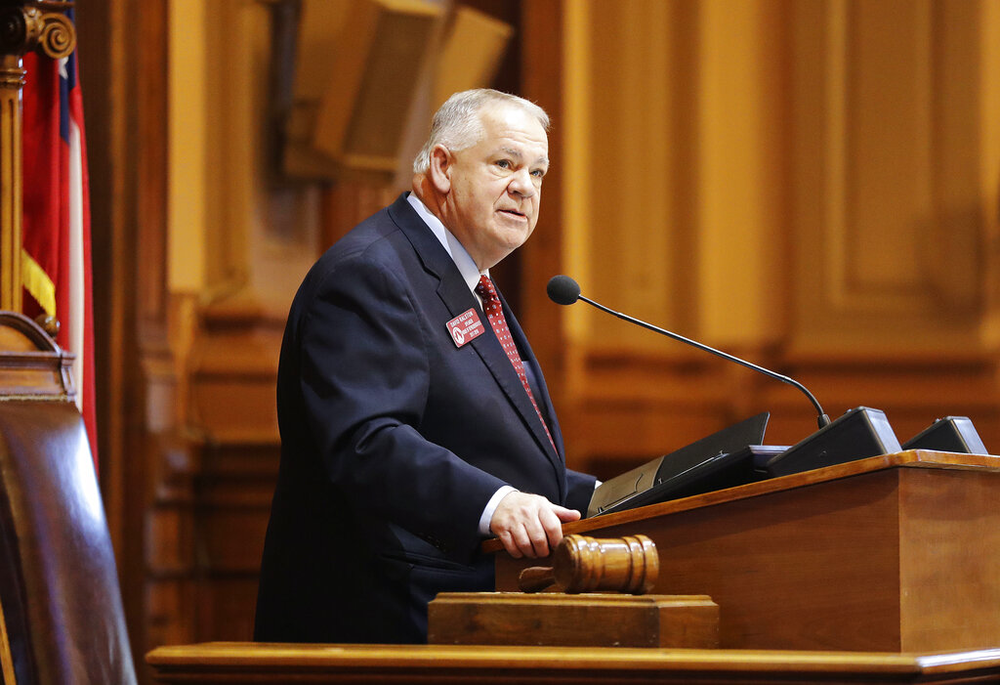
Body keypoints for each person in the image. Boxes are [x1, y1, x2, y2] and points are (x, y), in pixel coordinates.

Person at [253, 89, 596, 644]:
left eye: (537, 173)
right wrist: (497, 504)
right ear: (441, 166)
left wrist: (607, 496)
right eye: (505, 164)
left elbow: (476, 443)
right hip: (382, 624)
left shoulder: (463, 277)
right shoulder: (371, 273)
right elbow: (368, 441)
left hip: (462, 612)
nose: (525, 187)